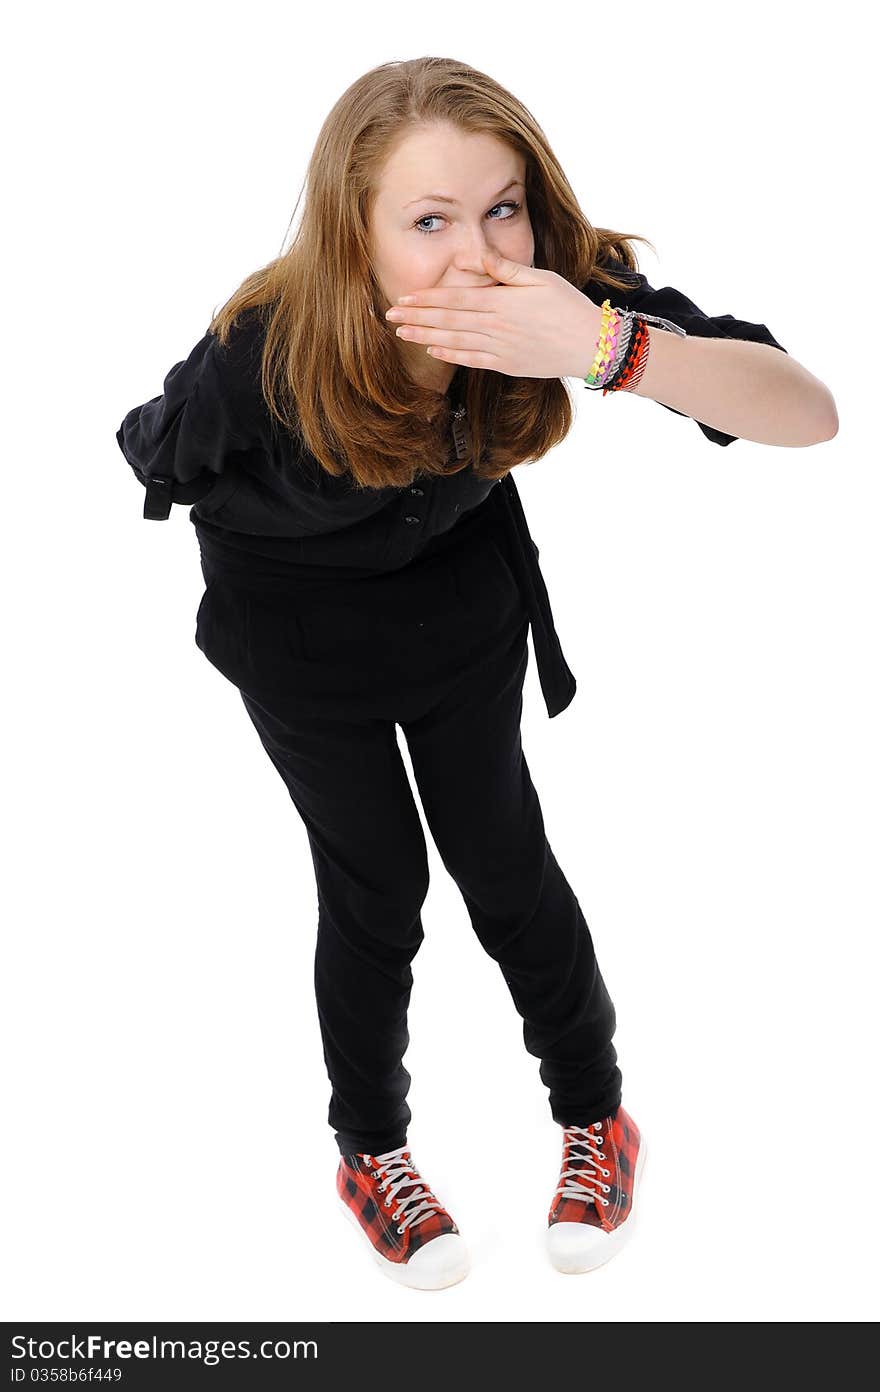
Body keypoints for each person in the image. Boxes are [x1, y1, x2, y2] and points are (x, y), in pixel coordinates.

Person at [115, 57, 835, 1292]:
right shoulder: (261, 346)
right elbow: (154, 451)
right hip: (296, 639)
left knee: (503, 856)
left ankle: (596, 1119)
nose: (476, 254)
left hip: (458, 612)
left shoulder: (561, 295)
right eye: (429, 222)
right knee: (376, 888)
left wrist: (607, 345)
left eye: (500, 208)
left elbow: (805, 412)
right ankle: (370, 1150)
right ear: (357, 236)